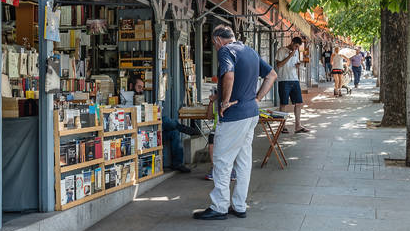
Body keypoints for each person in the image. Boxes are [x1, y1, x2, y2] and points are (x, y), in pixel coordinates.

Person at [193, 25, 277, 220]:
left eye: (214, 44)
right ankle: (239, 205)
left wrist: (224, 101)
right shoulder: (250, 51)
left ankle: (219, 207)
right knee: (243, 161)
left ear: (217, 40)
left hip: (234, 116)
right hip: (251, 113)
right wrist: (257, 99)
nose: (215, 48)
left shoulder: (225, 50)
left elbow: (229, 75)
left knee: (222, 161)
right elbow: (271, 75)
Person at [129, 77, 199, 173]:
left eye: (142, 88)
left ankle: (177, 164)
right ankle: (182, 127)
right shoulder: (127, 99)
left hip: (151, 131)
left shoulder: (140, 99)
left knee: (174, 132)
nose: (141, 90)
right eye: (139, 87)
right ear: (131, 86)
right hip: (140, 134)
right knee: (166, 121)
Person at [275, 37, 309, 133]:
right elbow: (279, 65)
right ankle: (283, 126)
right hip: (284, 80)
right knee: (283, 103)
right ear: (292, 42)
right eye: (296, 46)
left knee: (298, 103)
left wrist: (298, 65)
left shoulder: (297, 52)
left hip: (294, 80)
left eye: (298, 47)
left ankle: (298, 126)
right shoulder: (281, 50)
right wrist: (289, 56)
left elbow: (295, 63)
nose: (296, 48)